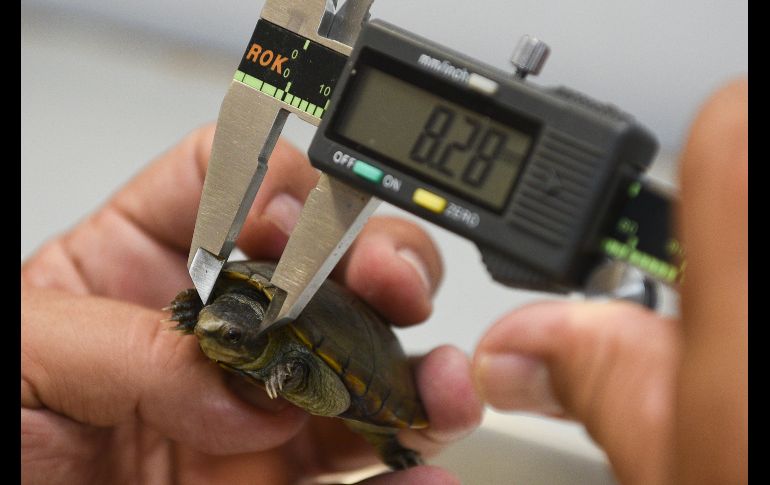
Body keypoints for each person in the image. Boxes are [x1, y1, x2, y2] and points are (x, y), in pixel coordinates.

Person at [21, 76, 746, 484]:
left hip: (363, 375)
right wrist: (190, 308)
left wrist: (293, 365)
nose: (213, 330)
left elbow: (317, 376)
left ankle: (389, 439)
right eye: (216, 323)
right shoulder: (219, 301)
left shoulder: (280, 345)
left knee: (403, 373)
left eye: (229, 331)